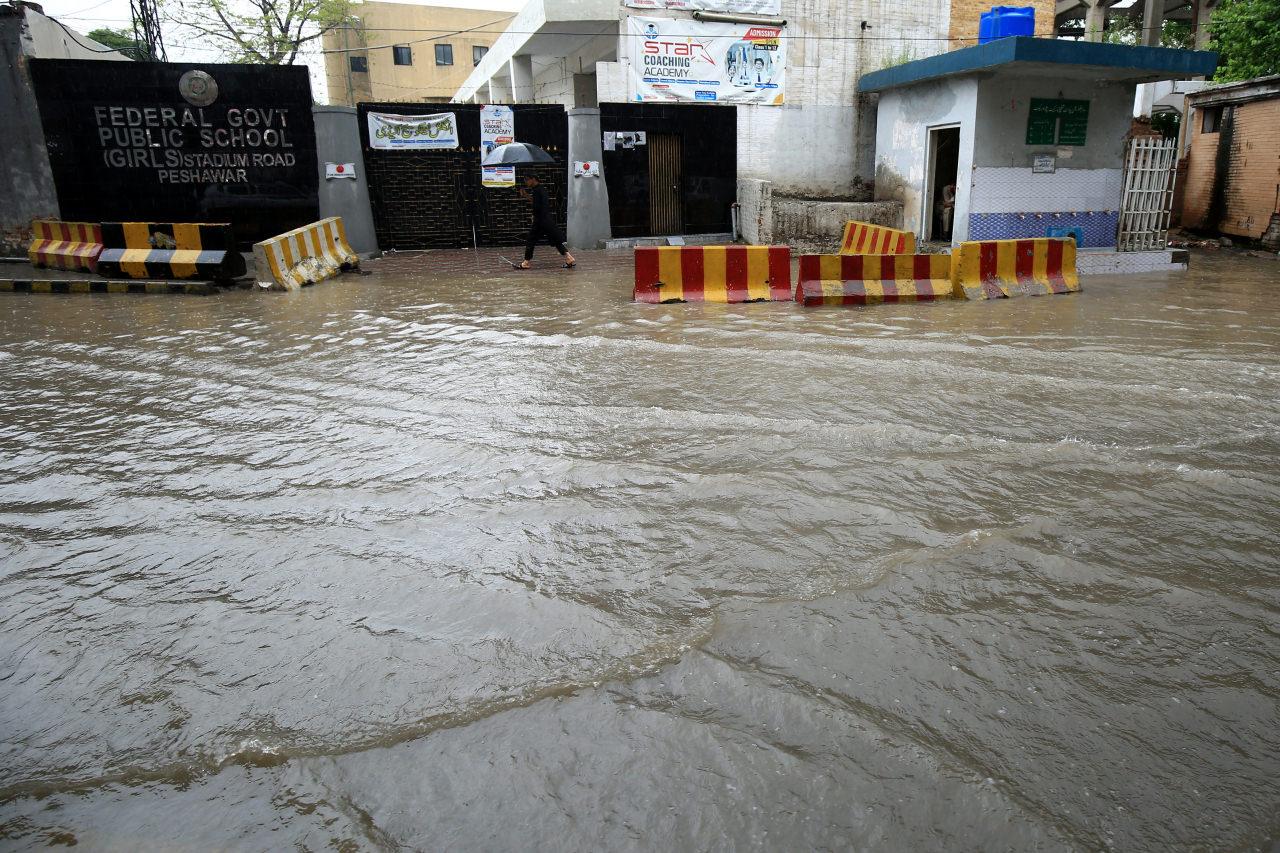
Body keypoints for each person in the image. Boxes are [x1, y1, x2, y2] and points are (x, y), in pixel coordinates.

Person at [517, 175, 575, 269]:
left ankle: (526, 262)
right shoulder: (541, 190)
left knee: (531, 240)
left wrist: (534, 215)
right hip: (545, 219)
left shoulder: (537, 190)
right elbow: (537, 203)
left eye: (527, 180)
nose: (526, 182)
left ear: (533, 179)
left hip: (540, 220)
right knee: (555, 240)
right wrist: (526, 195)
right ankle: (569, 257)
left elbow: (538, 206)